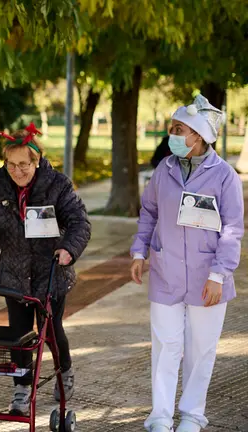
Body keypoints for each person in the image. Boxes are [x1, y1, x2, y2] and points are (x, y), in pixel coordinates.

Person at [0, 123, 91, 416]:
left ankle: (63, 371)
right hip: (14, 273)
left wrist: (68, 249)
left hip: (50, 271)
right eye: (11, 164)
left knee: (52, 330)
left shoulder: (58, 185)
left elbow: (79, 222)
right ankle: (22, 387)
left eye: (24, 165)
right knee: (18, 332)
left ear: (36, 161)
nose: (17, 171)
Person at [130, 95, 243, 432]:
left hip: (208, 277)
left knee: (200, 350)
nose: (172, 135)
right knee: (165, 346)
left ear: (199, 136)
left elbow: (233, 229)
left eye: (179, 129)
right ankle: (161, 416)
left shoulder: (224, 176)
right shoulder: (163, 171)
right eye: (172, 128)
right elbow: (149, 211)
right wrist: (140, 252)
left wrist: (219, 274)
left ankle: (192, 415)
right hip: (165, 273)